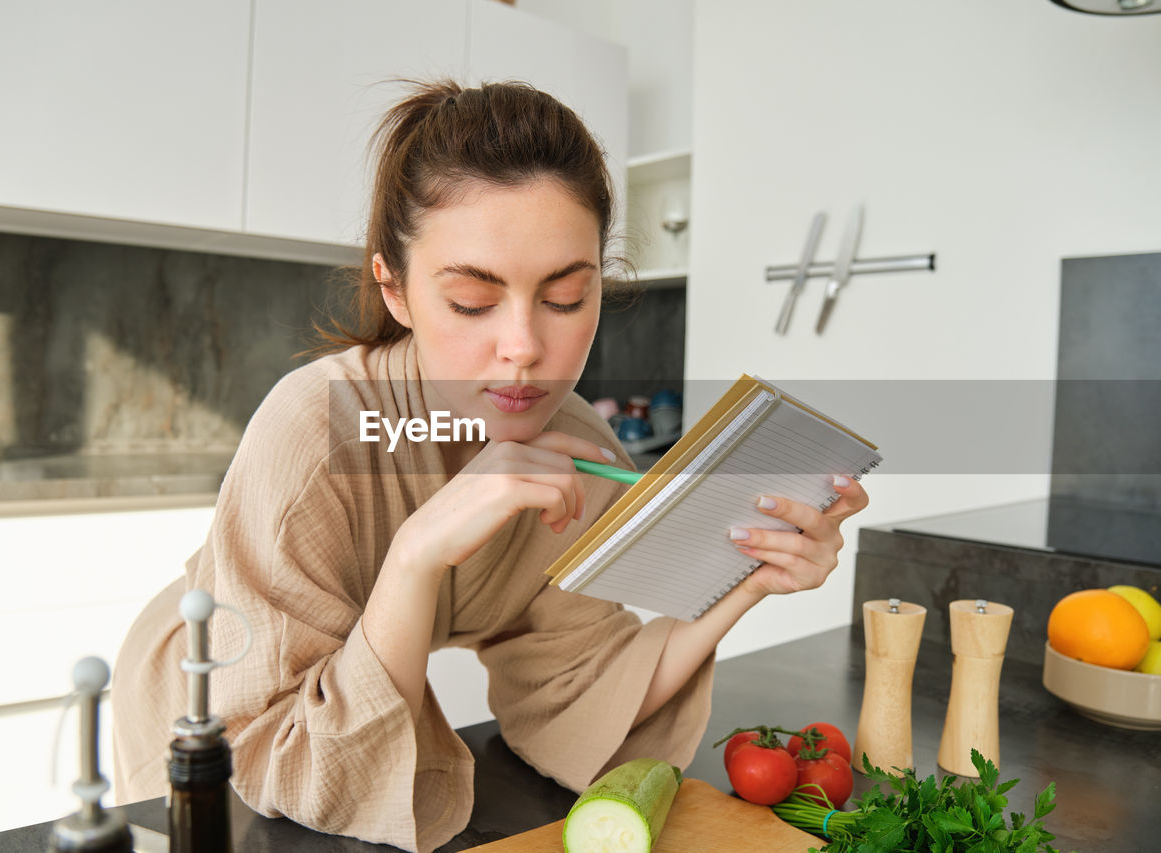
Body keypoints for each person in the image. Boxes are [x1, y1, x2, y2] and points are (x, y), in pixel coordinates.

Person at [111, 79, 868, 852]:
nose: (524, 347)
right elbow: (290, 754)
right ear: (395, 288)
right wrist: (415, 553)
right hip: (225, 710)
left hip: (340, 729)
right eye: (473, 301)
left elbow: (583, 682)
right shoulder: (315, 434)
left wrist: (747, 579)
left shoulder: (575, 445)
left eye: (567, 297)